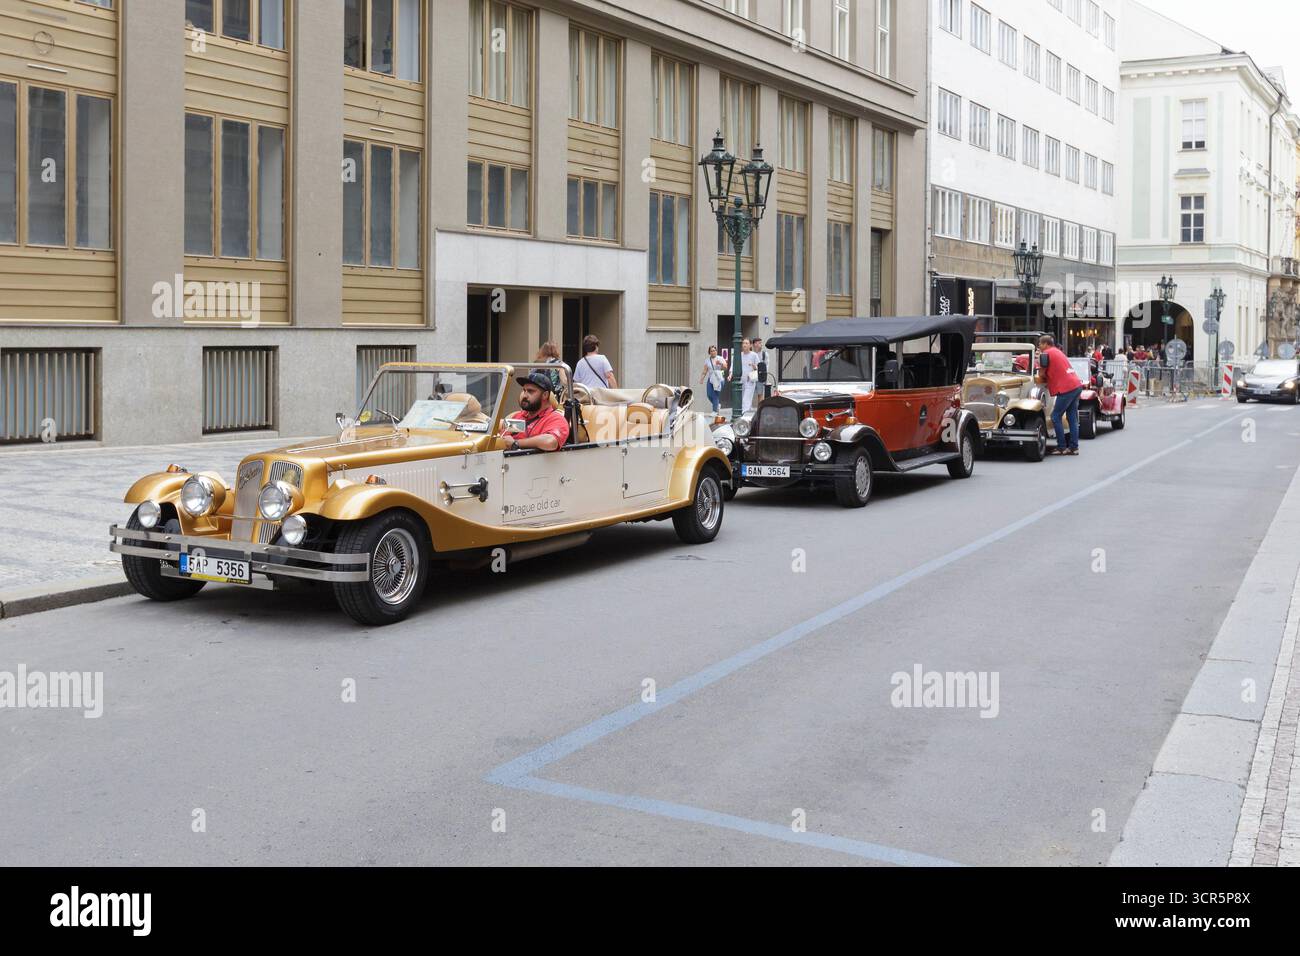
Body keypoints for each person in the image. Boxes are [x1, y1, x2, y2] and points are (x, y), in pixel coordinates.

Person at [1036, 333, 1084, 456]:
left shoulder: (1046, 354)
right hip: (1075, 385)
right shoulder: (1057, 351)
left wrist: (1038, 364)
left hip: (1066, 388)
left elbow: (1041, 375)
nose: (1039, 346)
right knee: (1072, 418)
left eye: (1040, 344)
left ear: (1046, 344)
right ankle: (1074, 447)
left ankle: (1061, 446)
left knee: (1055, 417)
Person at [500, 371, 570, 451]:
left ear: (545, 395)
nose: (524, 395)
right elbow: (503, 439)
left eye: (530, 391)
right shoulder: (518, 417)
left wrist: (516, 443)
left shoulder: (556, 419)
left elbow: (550, 442)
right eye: (524, 390)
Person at [699, 344, 727, 414]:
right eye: (711, 351)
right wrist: (702, 379)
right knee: (709, 395)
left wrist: (720, 364)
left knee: (715, 394)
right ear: (709, 352)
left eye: (714, 350)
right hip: (711, 379)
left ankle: (715, 411)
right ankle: (717, 405)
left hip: (719, 379)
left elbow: (725, 368)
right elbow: (705, 370)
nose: (713, 352)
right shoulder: (707, 360)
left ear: (716, 351)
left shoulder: (720, 358)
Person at [740, 338, 760, 413]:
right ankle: (748, 413)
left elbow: (758, 367)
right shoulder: (739, 355)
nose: (744, 345)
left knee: (746, 399)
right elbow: (733, 365)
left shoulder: (754, 355)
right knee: (743, 398)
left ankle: (744, 414)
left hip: (750, 380)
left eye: (746, 343)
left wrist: (754, 366)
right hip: (741, 380)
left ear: (750, 345)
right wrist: (730, 374)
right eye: (743, 343)